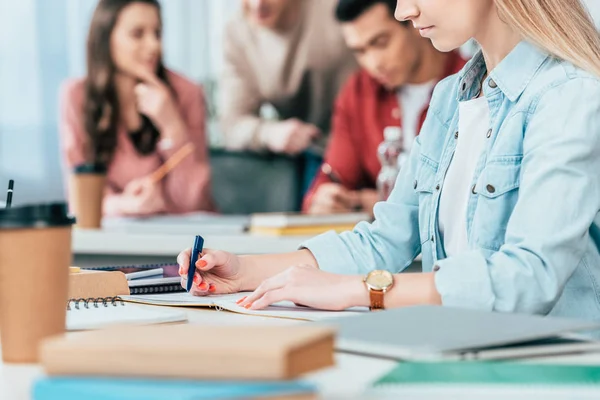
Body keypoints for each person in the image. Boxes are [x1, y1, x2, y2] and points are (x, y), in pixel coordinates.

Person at [178, 0, 600, 321]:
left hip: (554, 373)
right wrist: (244, 270)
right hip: (465, 350)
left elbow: (531, 276)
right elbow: (385, 240)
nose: (403, 10)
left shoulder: (570, 96)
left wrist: (362, 290)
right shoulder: (450, 97)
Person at [303, 0, 465, 215]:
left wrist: (384, 202)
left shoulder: (473, 81)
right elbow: (332, 179)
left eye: (381, 42)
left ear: (413, 22)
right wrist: (325, 200)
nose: (373, 63)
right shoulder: (359, 92)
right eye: (360, 51)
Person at [60, 0, 214, 216]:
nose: (153, 46)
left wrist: (171, 126)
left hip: (181, 237)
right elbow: (79, 201)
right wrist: (123, 205)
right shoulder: (77, 96)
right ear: (106, 39)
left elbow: (193, 200)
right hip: (116, 238)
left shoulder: (187, 93)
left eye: (157, 33)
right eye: (137, 34)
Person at [219, 0, 358, 194]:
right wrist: (269, 133)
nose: (257, 4)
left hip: (363, 140)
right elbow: (232, 124)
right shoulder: (237, 33)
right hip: (309, 155)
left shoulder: (332, 9)